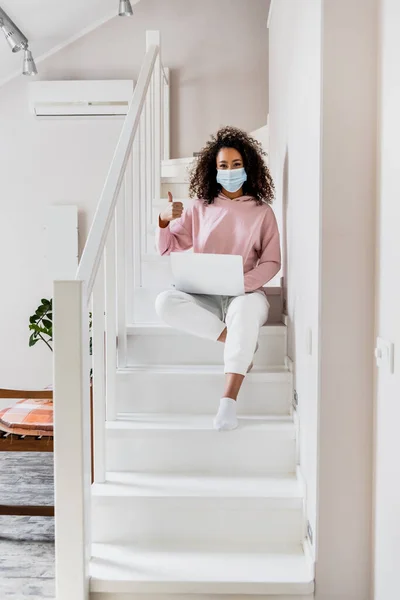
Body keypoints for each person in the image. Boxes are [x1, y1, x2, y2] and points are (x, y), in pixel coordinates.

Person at [155, 126, 281, 431]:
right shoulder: (199, 208)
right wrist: (163, 221)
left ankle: (228, 402)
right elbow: (170, 246)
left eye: (236, 164)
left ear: (248, 167)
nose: (229, 171)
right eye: (223, 166)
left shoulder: (262, 213)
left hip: (245, 294)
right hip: (205, 295)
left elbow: (272, 261)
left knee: (245, 311)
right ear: (214, 170)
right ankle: (238, 341)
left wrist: (243, 284)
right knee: (164, 302)